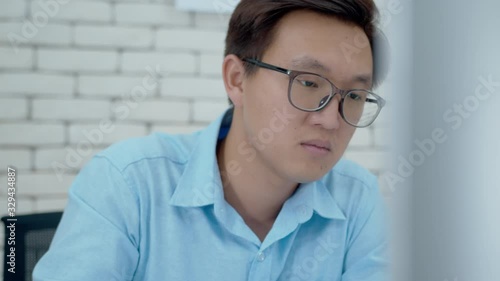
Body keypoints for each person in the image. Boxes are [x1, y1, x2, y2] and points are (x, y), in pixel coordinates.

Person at [33, 0, 390, 280]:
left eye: (355, 96)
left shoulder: (358, 202)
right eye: (309, 83)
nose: (331, 119)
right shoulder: (128, 184)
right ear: (236, 79)